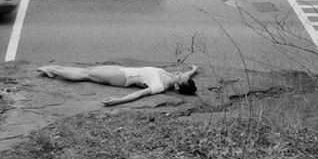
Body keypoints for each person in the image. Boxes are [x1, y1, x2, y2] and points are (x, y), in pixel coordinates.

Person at [38, 64, 198, 106]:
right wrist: (193, 70)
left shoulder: (160, 85)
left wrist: (118, 100)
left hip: (122, 78)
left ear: (177, 87)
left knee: (85, 75)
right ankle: (55, 70)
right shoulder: (175, 78)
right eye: (182, 73)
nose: (180, 73)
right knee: (88, 70)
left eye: (181, 77)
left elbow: (138, 94)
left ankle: (52, 69)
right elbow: (187, 77)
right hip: (122, 70)